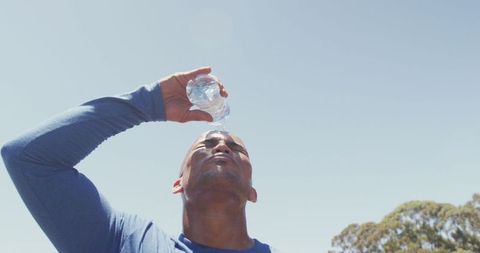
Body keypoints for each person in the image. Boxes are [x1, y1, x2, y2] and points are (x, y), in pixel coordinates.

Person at [1, 67, 278, 253]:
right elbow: (29, 158)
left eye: (235, 147)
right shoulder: (126, 241)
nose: (221, 146)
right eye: (206, 143)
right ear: (178, 183)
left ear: (253, 192)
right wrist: (148, 103)